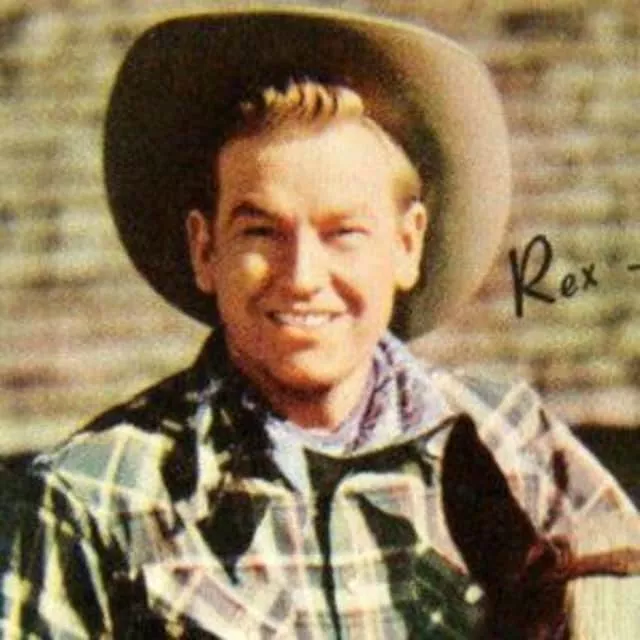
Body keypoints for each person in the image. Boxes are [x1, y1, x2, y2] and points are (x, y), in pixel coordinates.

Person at [0, 7, 637, 639]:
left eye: (343, 232)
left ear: (407, 244)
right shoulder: (90, 498)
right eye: (261, 231)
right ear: (204, 248)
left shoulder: (512, 440)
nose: (303, 275)